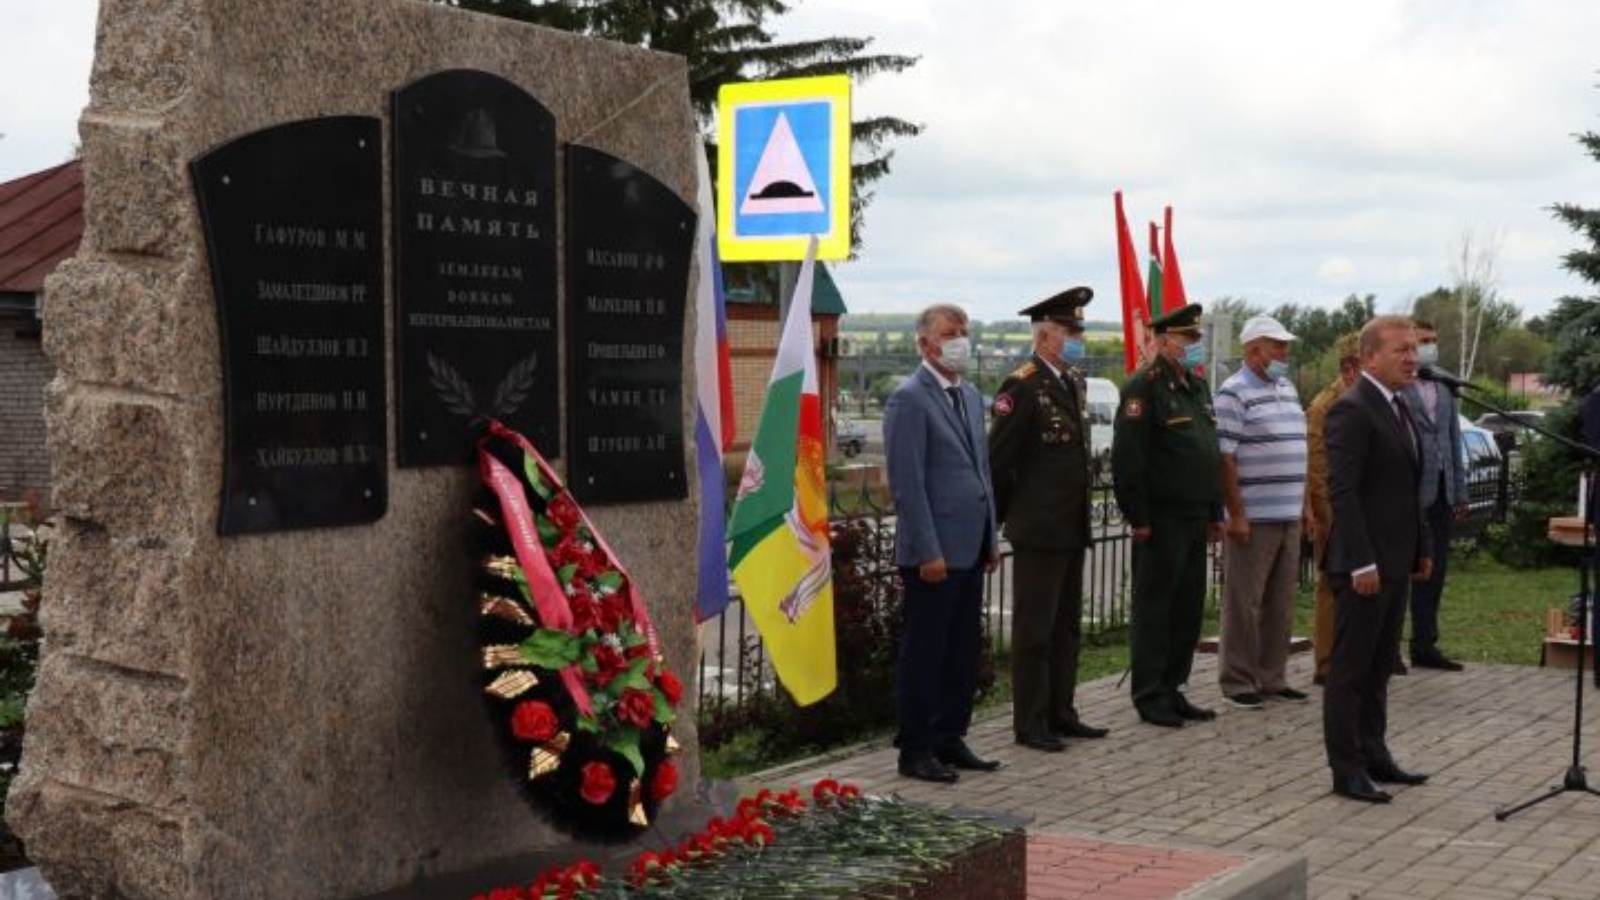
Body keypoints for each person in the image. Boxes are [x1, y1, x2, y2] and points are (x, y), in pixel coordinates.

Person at [884, 303, 1002, 784]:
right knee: (926, 654)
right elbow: (908, 485)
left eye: (964, 332)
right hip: (933, 553)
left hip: (970, 545)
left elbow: (981, 470)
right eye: (950, 334)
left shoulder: (969, 395)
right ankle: (915, 748)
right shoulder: (909, 399)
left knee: (961, 652)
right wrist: (928, 550)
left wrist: (990, 536)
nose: (959, 341)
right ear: (925, 343)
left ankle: (950, 737)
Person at [988, 286, 1108, 752]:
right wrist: (995, 526)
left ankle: (1062, 712)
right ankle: (1031, 721)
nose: (1078, 338)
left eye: (1079, 330)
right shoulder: (1022, 385)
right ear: (1043, 336)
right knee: (1035, 631)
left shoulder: (1072, 380)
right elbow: (1000, 461)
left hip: (1071, 525)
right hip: (1039, 527)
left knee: (1066, 628)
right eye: (1069, 331)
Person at [1323, 315, 1433, 804]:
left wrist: (1421, 548)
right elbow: (1343, 492)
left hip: (1395, 560)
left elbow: (1407, 489)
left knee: (1379, 667)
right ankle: (1346, 769)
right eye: (1400, 350)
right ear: (1369, 358)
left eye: (1414, 349)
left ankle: (1375, 754)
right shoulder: (1352, 409)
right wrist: (1361, 562)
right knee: (1350, 671)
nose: (1412, 358)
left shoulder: (1398, 404)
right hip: (1363, 566)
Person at [1112, 302, 1224, 728]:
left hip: (1194, 514)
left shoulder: (1196, 387)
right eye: (1187, 338)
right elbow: (1129, 460)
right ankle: (1150, 693)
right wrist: (1138, 517)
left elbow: (1208, 451)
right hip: (1161, 518)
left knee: (1187, 607)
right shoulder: (1144, 387)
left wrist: (1215, 510)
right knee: (1156, 607)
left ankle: (1174, 686)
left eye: (1197, 337)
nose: (1195, 344)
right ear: (1162, 341)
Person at [1215, 315, 1312, 709]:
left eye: (1285, 346)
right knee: (1245, 601)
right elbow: (1225, 457)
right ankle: (1238, 680)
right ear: (1254, 349)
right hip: (1254, 516)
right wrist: (1236, 514)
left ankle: (1272, 677)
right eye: (1278, 346)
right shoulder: (1233, 392)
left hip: (1288, 512)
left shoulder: (1287, 388)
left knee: (1281, 601)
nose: (1285, 353)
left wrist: (1304, 505)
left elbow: (1298, 449)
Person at [1399, 319, 1467, 672]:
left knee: (1434, 571)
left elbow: (1454, 438)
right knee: (1400, 570)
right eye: (1423, 340)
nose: (1429, 347)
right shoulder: (1399, 384)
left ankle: (1425, 644)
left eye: (1433, 340)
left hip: (1441, 490)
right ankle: (1388, 648)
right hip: (1408, 492)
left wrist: (1459, 490)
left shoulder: (1444, 385)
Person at [1308, 333, 1361, 685]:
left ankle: (1355, 656)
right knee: (1331, 584)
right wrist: (1325, 516)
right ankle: (1327, 663)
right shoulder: (1324, 406)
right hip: (1334, 511)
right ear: (1350, 369)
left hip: (1362, 508)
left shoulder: (1367, 401)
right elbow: (1317, 467)